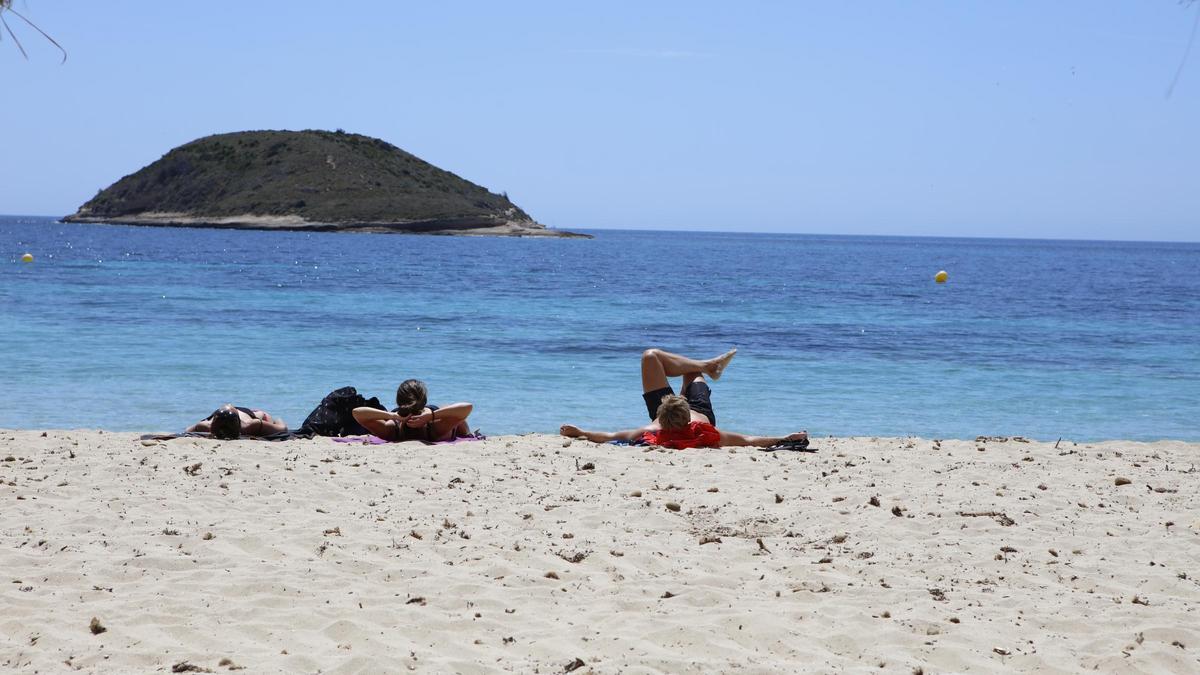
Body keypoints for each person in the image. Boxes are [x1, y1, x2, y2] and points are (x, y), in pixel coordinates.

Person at [559, 347, 808, 449]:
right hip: (701, 409)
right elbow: (748, 440)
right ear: (688, 414)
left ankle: (709, 366)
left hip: (672, 413)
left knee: (650, 357)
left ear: (660, 414)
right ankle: (708, 367)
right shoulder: (703, 430)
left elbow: (609, 436)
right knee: (691, 372)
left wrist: (579, 431)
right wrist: (786, 437)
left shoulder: (652, 429)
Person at [352, 378, 473, 442]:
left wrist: (392, 416)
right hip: (424, 416)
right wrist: (432, 416)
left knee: (448, 410)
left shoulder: (391, 429)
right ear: (424, 401)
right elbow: (467, 408)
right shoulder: (435, 427)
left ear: (398, 401)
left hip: (416, 414)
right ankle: (468, 434)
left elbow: (357, 413)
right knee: (451, 413)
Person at [187, 404, 288, 440]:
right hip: (228, 414)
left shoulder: (250, 425)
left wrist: (276, 420)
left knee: (263, 416)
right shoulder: (205, 425)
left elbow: (283, 429)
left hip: (252, 414)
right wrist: (278, 420)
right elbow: (283, 428)